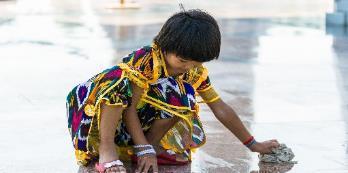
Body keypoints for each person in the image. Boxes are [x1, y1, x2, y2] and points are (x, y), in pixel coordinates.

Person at [66, 9, 280, 173]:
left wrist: (253, 144)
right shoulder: (146, 60)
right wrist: (143, 149)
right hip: (101, 118)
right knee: (115, 83)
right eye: (182, 60)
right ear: (164, 46)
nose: (187, 67)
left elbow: (219, 107)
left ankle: (148, 146)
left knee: (182, 93)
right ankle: (109, 150)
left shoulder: (193, 72)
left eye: (195, 63)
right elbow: (129, 107)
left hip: (138, 126)